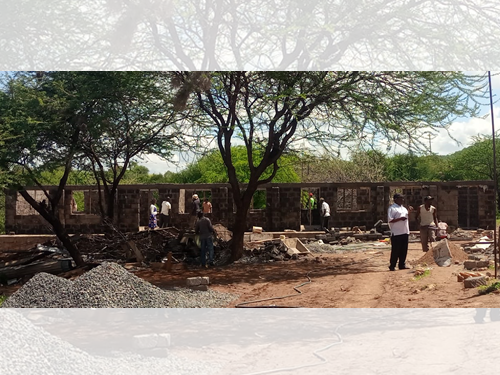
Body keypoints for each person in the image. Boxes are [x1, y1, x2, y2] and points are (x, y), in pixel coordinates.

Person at [387, 193, 414, 271]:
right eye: (400, 198)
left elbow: (405, 217)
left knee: (403, 249)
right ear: (395, 199)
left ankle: (402, 264)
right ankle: (392, 265)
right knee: (396, 250)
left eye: (402, 198)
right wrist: (400, 219)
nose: (402, 200)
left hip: (405, 231)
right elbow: (390, 220)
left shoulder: (404, 208)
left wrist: (409, 212)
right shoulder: (392, 208)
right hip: (396, 232)